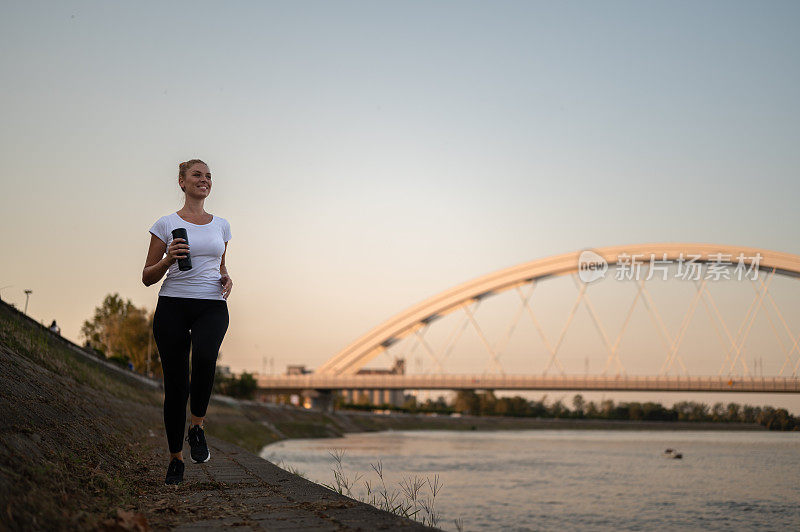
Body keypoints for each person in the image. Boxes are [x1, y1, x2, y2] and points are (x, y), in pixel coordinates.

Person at [142, 158, 234, 486]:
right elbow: (146, 277)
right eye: (197, 174)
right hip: (173, 306)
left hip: (211, 305)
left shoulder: (221, 225)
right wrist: (168, 258)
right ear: (182, 182)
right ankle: (175, 459)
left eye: (208, 175)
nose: (204, 179)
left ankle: (197, 426)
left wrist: (227, 279)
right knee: (176, 385)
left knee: (206, 357)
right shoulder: (165, 224)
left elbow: (220, 266)